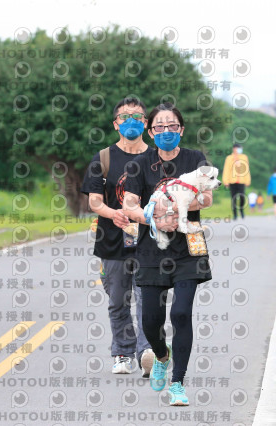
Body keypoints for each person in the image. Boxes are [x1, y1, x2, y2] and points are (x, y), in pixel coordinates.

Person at [122, 102, 214, 406]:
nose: (166, 131)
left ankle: (178, 383)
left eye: (172, 126)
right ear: (150, 132)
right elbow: (129, 204)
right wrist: (154, 218)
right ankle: (162, 355)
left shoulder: (195, 159)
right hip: (152, 250)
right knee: (150, 320)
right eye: (159, 127)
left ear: (181, 129)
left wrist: (175, 209)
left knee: (181, 313)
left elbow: (207, 197)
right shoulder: (139, 164)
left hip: (188, 247)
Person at [80, 97, 154, 377]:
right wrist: (114, 214)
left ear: (145, 124)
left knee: (148, 298)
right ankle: (122, 353)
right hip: (111, 241)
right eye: (125, 116)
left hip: (149, 242)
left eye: (136, 116)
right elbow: (94, 201)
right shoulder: (103, 158)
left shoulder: (157, 158)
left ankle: (147, 352)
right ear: (115, 124)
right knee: (117, 300)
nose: (130, 121)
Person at [222, 143, 251, 220]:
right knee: (233, 198)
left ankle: (241, 210)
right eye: (238, 148)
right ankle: (235, 214)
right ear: (234, 149)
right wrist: (226, 181)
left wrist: (248, 180)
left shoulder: (244, 157)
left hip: (242, 181)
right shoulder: (229, 158)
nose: (239, 150)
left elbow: (247, 169)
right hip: (232, 181)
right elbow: (226, 170)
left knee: (242, 196)